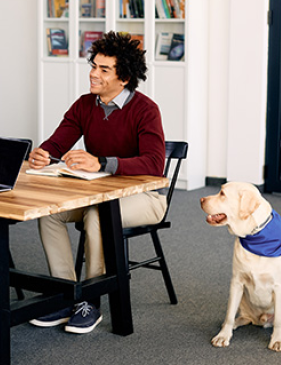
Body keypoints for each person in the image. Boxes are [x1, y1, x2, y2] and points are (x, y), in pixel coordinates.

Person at [27, 31, 167, 334]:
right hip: (97, 193)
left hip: (147, 199)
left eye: (104, 69)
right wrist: (43, 154)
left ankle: (92, 299)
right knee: (49, 212)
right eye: (94, 65)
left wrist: (103, 163)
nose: (93, 73)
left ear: (124, 78)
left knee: (97, 214)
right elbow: (57, 142)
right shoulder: (84, 105)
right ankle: (66, 293)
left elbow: (155, 164)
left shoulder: (145, 110)